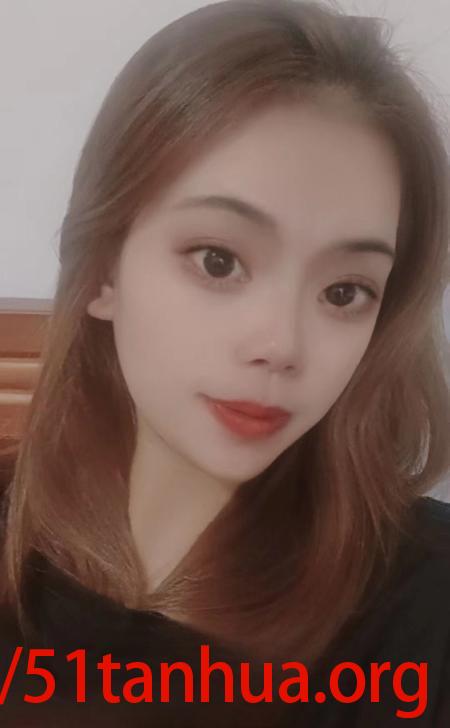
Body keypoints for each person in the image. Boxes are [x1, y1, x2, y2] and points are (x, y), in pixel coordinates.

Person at [0, 0, 449, 725]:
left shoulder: (423, 606)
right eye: (218, 260)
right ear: (104, 269)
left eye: (344, 292)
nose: (282, 344)